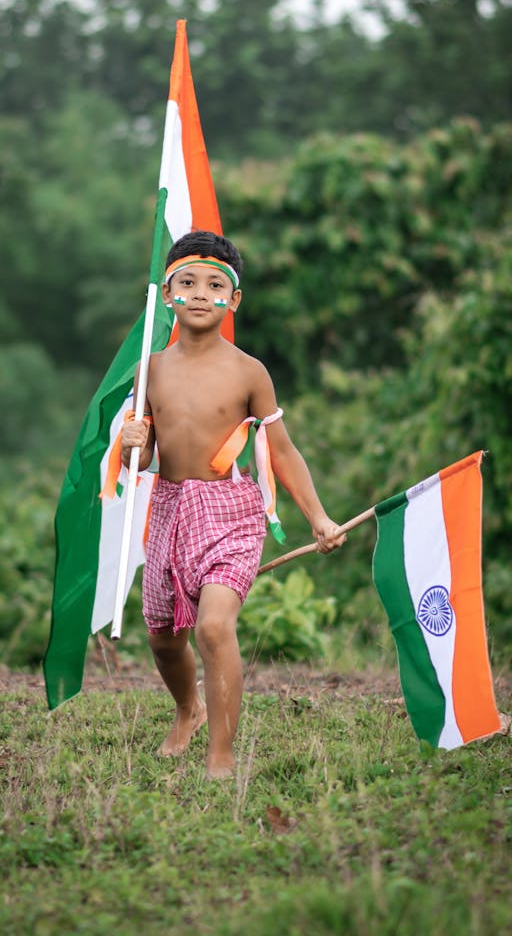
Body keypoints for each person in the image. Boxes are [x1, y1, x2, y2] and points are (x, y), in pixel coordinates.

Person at [121, 230, 345, 779]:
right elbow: (143, 454)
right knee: (162, 636)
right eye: (188, 282)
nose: (200, 294)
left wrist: (318, 516)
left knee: (215, 626)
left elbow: (283, 452)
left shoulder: (249, 372)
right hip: (170, 509)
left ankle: (221, 757)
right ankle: (188, 710)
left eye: (215, 285)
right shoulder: (150, 369)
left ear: (234, 299)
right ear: (168, 294)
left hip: (231, 511)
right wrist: (133, 444)